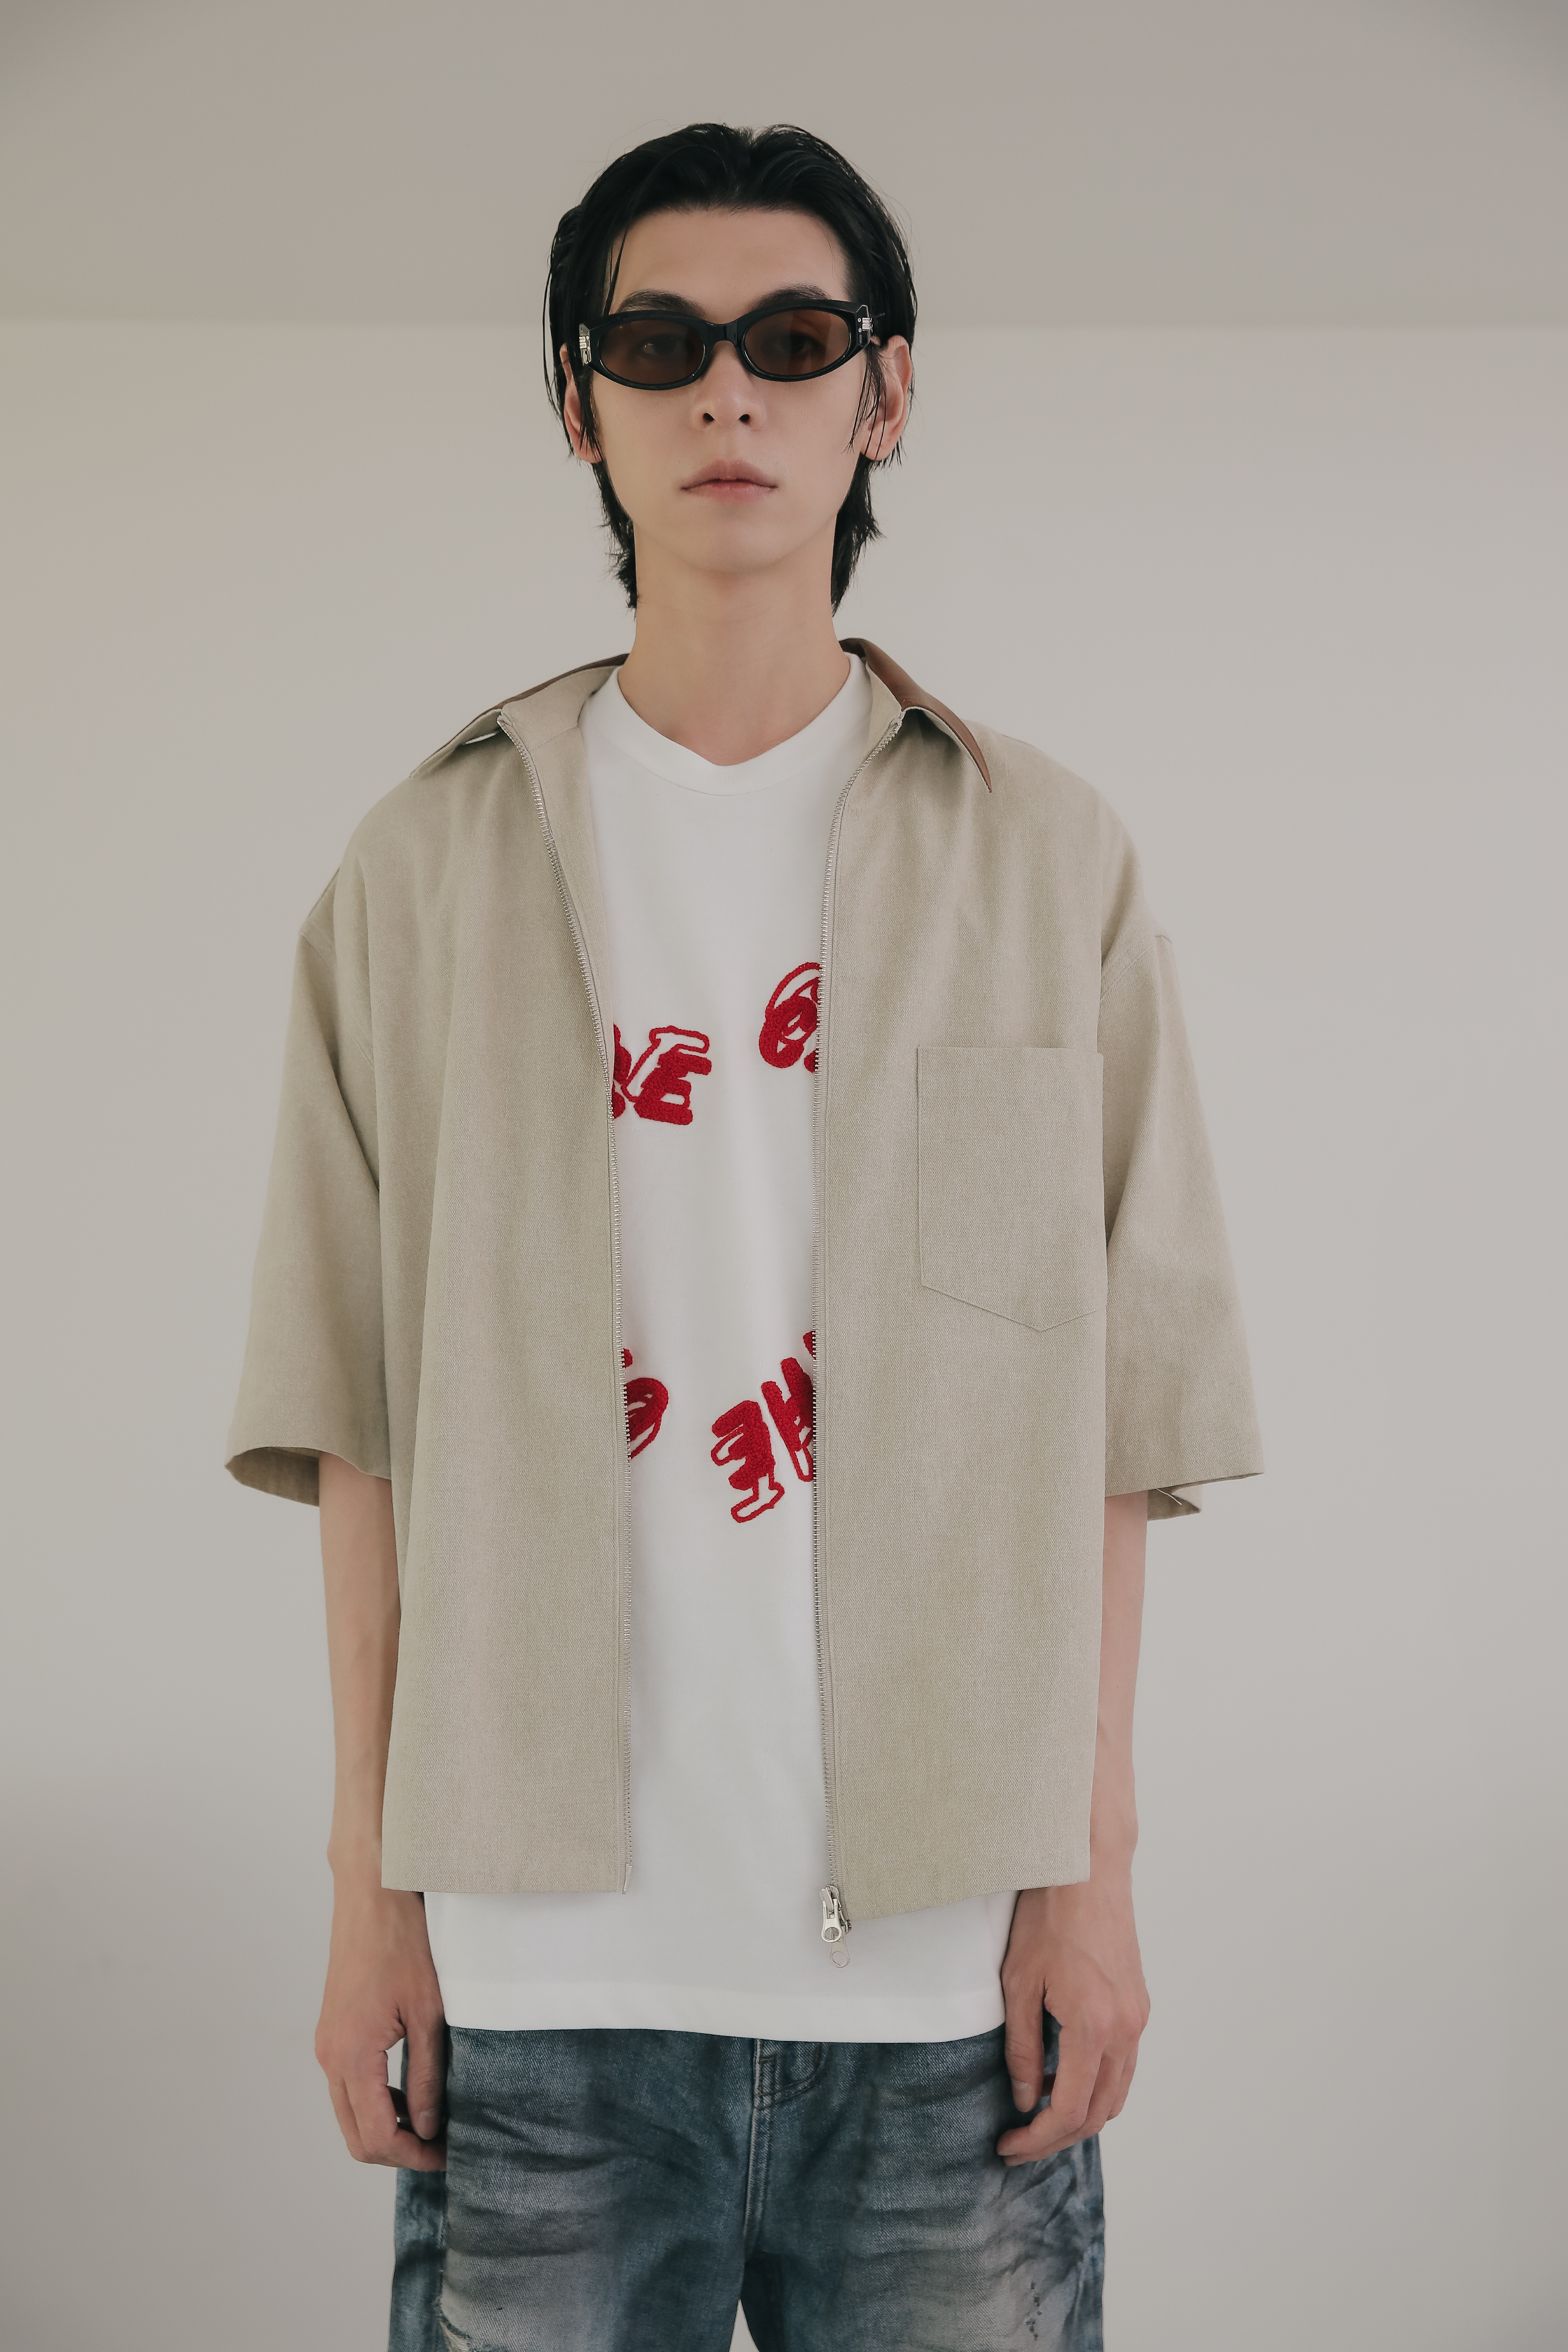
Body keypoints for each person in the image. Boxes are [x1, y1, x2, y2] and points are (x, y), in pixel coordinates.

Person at [226, 121, 1262, 2352]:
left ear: (885, 394)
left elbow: (1114, 1422)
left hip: (951, 1995)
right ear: (575, 402)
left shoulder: (1046, 858)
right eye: (657, 343)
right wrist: (367, 1900)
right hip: (535, 1989)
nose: (725, 392)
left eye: (792, 340)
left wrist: (1091, 1876)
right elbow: (356, 1419)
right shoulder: (421, 869)